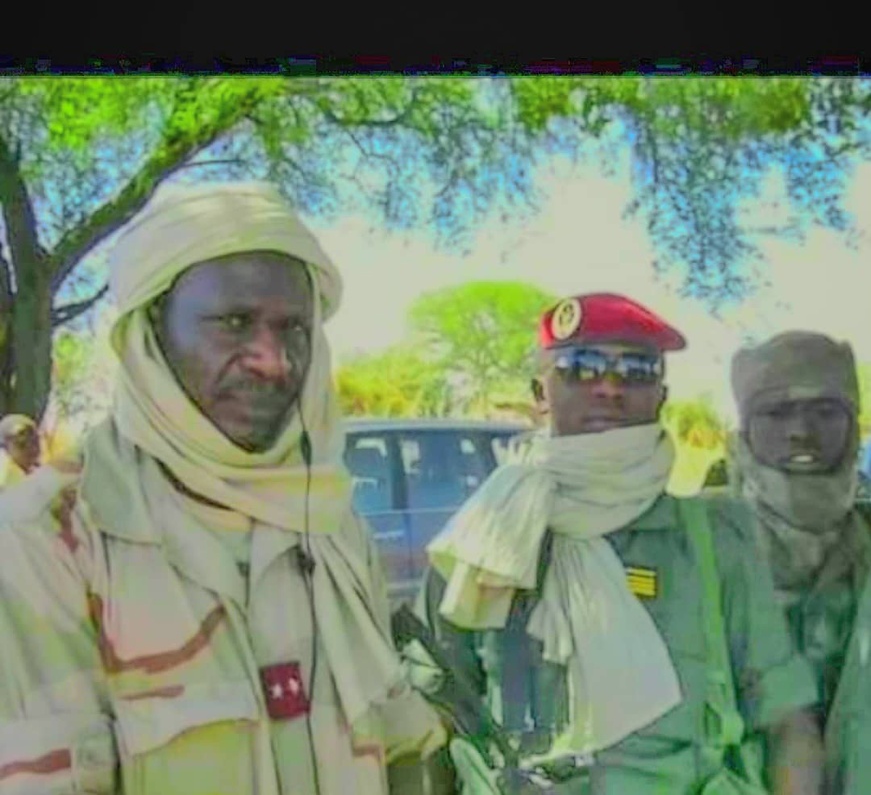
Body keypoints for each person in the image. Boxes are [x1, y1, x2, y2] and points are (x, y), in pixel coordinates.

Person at [0, 181, 446, 795]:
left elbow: (401, 747)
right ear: (152, 330)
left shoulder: (332, 525)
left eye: (293, 328)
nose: (273, 360)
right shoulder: (46, 541)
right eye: (234, 323)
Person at [417, 292, 823, 794]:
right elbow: (431, 724)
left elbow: (789, 722)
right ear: (540, 392)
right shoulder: (482, 541)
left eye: (636, 370)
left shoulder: (716, 540)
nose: (609, 386)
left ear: (661, 395)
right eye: (580, 366)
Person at [729, 331, 871, 794]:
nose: (801, 431)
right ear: (744, 433)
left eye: (826, 411)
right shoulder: (701, 547)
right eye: (776, 412)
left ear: (855, 426)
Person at [0, 413, 42, 488]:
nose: (30, 448)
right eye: (22, 443)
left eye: (35, 441)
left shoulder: (36, 471)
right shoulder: (5, 471)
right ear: (6, 446)